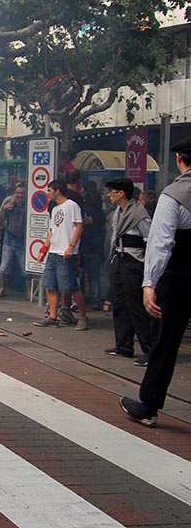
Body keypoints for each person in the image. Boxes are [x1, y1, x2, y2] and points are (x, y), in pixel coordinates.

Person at [119, 139, 191, 427]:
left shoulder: (173, 196)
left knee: (166, 341)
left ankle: (149, 405)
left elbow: (161, 243)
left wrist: (149, 283)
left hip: (178, 276)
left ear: (179, 160)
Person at [103, 178, 155, 366]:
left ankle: (150, 350)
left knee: (136, 307)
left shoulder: (139, 214)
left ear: (122, 193)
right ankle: (124, 345)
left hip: (134, 262)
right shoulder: (118, 212)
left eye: (112, 192)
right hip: (120, 259)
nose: (109, 195)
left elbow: (150, 240)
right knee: (120, 304)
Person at [33, 179, 86, 329]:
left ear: (57, 191)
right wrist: (44, 249)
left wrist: (71, 246)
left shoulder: (72, 206)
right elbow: (52, 231)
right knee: (50, 285)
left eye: (49, 190)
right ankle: (53, 316)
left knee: (71, 286)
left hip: (66, 253)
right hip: (53, 252)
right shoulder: (55, 209)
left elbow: (79, 227)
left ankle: (82, 316)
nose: (47, 194)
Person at [0, 183, 27, 298]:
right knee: (4, 267)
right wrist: (6, 208)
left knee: (25, 269)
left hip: (23, 241)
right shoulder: (8, 201)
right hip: (9, 238)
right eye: (18, 193)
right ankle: (2, 288)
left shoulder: (29, 204)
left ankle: (28, 291)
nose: (20, 196)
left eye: (22, 193)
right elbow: (0, 218)